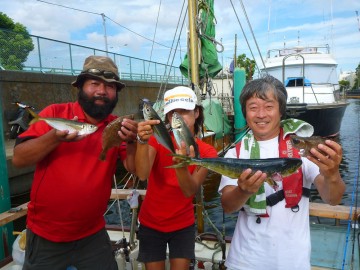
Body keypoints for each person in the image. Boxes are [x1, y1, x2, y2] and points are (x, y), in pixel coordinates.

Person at [12, 55, 138, 270]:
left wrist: (134, 141)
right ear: (80, 87)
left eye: (109, 86)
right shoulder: (54, 114)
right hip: (45, 235)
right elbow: (19, 159)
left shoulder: (117, 126)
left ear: (116, 93)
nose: (101, 91)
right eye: (94, 84)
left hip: (93, 233)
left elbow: (135, 170)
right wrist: (54, 137)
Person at [218, 75, 345, 270]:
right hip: (244, 260)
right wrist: (242, 191)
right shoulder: (235, 152)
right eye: (253, 107)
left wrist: (333, 174)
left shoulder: (302, 148)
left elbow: (333, 199)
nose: (261, 114)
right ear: (245, 112)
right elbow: (228, 206)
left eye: (269, 106)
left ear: (280, 111)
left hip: (293, 261)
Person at [134, 86, 218, 270]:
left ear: (196, 112)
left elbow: (190, 190)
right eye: (172, 113)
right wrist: (141, 141)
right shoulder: (157, 139)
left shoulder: (207, 151)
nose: (177, 118)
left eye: (184, 112)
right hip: (150, 223)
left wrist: (181, 163)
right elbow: (142, 173)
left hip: (183, 225)